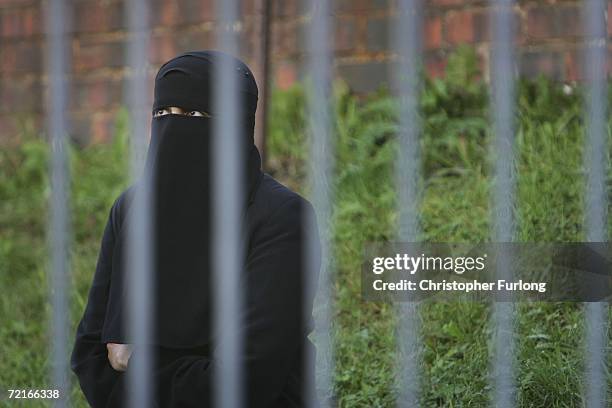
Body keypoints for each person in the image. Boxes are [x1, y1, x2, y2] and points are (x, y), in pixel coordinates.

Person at [70, 50, 321, 407]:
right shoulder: (131, 210)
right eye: (162, 113)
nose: (172, 127)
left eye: (192, 114)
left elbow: (248, 381)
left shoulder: (282, 218)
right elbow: (91, 356)